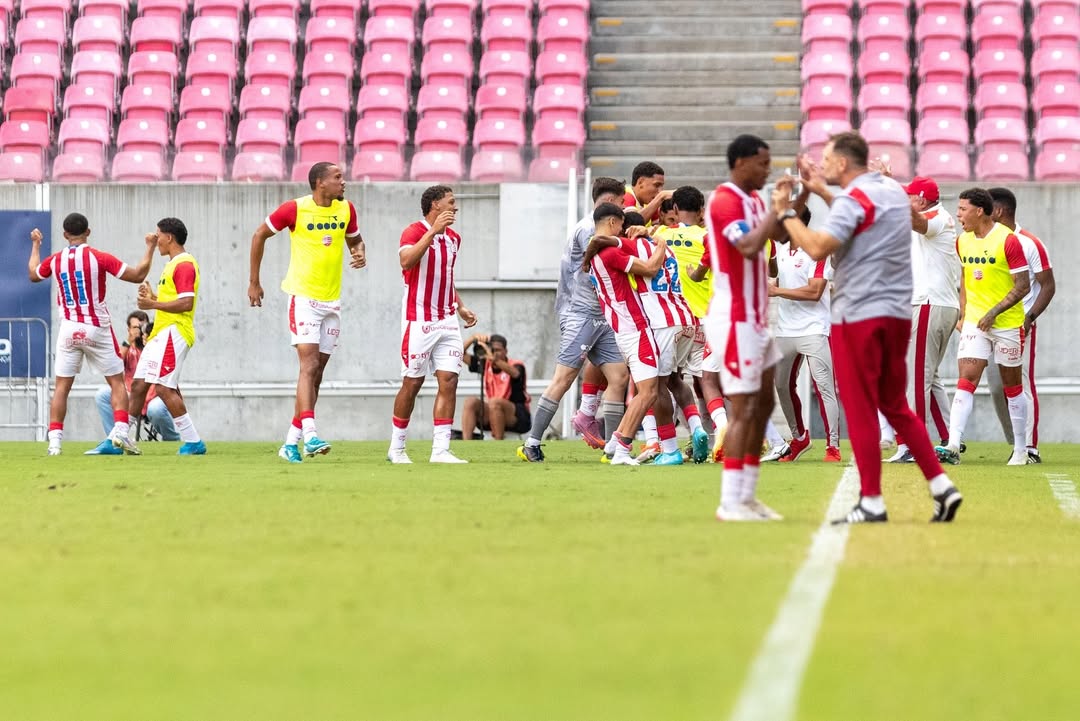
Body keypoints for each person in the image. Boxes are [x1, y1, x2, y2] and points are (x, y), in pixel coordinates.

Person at [772, 131, 961, 524]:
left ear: (842, 163)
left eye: (826, 159)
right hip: (895, 312)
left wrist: (787, 212)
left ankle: (872, 500)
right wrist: (821, 189)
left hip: (857, 312)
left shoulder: (854, 200)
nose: (822, 164)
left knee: (858, 405)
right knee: (895, 403)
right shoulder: (889, 190)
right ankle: (941, 485)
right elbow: (855, 209)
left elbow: (818, 247)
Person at [248, 162, 365, 463]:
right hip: (303, 299)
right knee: (308, 366)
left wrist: (359, 251)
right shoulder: (294, 209)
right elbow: (259, 234)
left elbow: (354, 239)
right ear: (320, 183)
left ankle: (290, 443)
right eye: (338, 177)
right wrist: (254, 282)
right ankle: (311, 435)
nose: (344, 181)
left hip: (332, 301)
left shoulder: (346, 209)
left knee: (317, 375)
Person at [703, 134, 789, 521]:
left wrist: (795, 201)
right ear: (740, 162)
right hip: (734, 317)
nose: (768, 169)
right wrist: (778, 207)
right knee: (743, 409)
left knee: (765, 403)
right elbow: (751, 246)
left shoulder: (753, 201)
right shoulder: (723, 201)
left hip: (756, 317)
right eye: (762, 162)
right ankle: (730, 501)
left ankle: (748, 496)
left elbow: (781, 234)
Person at [518, 177, 630, 463]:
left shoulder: (600, 230)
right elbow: (609, 256)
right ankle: (531, 442)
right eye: (620, 204)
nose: (622, 211)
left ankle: (614, 449)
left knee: (619, 378)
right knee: (564, 377)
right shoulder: (587, 230)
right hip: (579, 314)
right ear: (608, 203)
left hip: (602, 315)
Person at [27, 213, 156, 456]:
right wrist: (150, 247)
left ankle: (54, 443)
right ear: (88, 231)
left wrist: (36, 245)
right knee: (116, 381)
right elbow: (138, 274)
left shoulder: (56, 260)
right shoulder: (99, 257)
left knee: (62, 387)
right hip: (96, 326)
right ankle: (120, 433)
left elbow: (34, 274)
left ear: (65, 235)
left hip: (68, 329)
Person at [933, 188, 1030, 467]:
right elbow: (965, 278)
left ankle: (1021, 449)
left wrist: (995, 312)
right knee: (967, 379)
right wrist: (965, 314)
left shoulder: (1008, 241)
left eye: (963, 209)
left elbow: (1023, 285)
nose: (958, 214)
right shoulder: (962, 241)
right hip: (976, 321)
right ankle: (953, 444)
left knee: (1011, 386)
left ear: (979, 211)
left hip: (1008, 323)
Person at [388, 185, 479, 464]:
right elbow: (406, 261)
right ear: (435, 206)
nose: (456, 207)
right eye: (451, 202)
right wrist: (432, 232)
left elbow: (445, 278)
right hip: (419, 319)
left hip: (447, 319)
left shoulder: (454, 239)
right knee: (412, 382)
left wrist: (460, 306)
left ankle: (440, 450)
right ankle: (397, 448)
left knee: (449, 380)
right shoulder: (413, 231)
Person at [580, 202, 669, 465]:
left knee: (646, 391)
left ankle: (615, 443)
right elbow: (651, 268)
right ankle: (620, 448)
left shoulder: (596, 256)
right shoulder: (608, 254)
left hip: (622, 329)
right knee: (649, 392)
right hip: (636, 328)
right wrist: (661, 245)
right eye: (620, 225)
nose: (623, 231)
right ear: (612, 223)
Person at [882, 176, 961, 463]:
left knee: (916, 379)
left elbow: (917, 223)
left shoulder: (937, 217)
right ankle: (950, 439)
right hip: (937, 303)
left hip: (930, 304)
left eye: (909, 196)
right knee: (930, 376)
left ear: (922, 200)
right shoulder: (934, 216)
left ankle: (912, 445)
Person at [986, 187, 1056, 463]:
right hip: (990, 325)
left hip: (1018, 324)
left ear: (999, 211)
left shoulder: (1029, 243)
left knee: (1022, 384)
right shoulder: (986, 241)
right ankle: (1015, 442)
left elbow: (1048, 285)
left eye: (986, 207)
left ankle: (1029, 447)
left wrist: (1029, 318)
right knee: (995, 386)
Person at [126, 217, 207, 455]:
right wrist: (154, 296)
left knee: (162, 388)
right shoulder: (173, 264)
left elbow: (186, 302)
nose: (155, 238)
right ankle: (120, 436)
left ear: (169, 237)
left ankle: (193, 442)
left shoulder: (184, 264)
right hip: (162, 333)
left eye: (158, 235)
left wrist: (152, 303)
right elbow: (171, 299)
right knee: (140, 385)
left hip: (174, 332)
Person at [769, 207, 842, 463]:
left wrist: (777, 292)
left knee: (824, 388)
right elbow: (774, 277)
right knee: (781, 385)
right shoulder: (780, 249)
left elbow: (814, 292)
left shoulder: (818, 249)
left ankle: (833, 446)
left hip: (814, 328)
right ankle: (799, 438)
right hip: (786, 329)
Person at [94, 311, 179, 441]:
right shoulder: (127, 347)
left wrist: (149, 342)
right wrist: (129, 342)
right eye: (135, 327)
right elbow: (114, 365)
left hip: (156, 395)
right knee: (102, 394)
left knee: (155, 409)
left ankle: (172, 440)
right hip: (132, 394)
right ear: (128, 329)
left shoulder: (155, 342)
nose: (139, 331)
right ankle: (114, 439)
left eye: (142, 326)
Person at [460, 333, 531, 440]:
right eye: (492, 350)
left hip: (517, 417)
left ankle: (498, 444)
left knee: (495, 402)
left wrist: (495, 360)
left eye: (498, 350)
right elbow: (458, 354)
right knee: (470, 402)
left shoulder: (516, 364)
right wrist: (472, 339)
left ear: (506, 351)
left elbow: (515, 373)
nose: (494, 353)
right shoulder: (485, 364)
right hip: (493, 412)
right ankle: (467, 445)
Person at [623, 161, 673, 225]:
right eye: (656, 185)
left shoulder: (650, 203)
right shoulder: (625, 196)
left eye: (661, 186)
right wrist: (661, 197)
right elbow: (632, 226)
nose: (660, 191)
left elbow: (656, 226)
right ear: (641, 182)